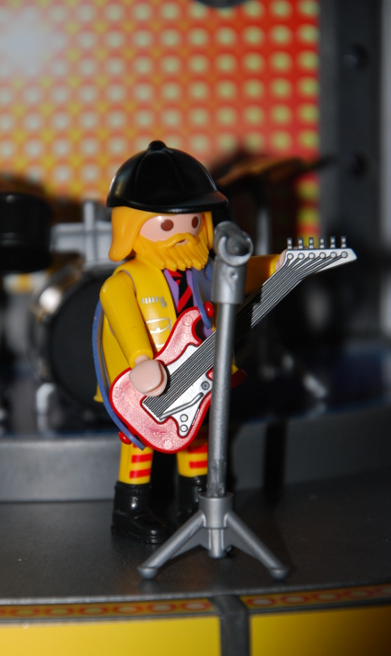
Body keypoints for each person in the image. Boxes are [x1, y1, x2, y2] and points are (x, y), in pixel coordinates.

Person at [95, 141, 280, 544]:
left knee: (195, 432)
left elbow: (238, 275)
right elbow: (119, 312)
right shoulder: (126, 280)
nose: (183, 232)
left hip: (195, 375)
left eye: (193, 221)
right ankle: (130, 510)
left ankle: (194, 502)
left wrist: (279, 264)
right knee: (139, 440)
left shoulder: (200, 271)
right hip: (144, 383)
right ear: (131, 225)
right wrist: (141, 359)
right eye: (167, 225)